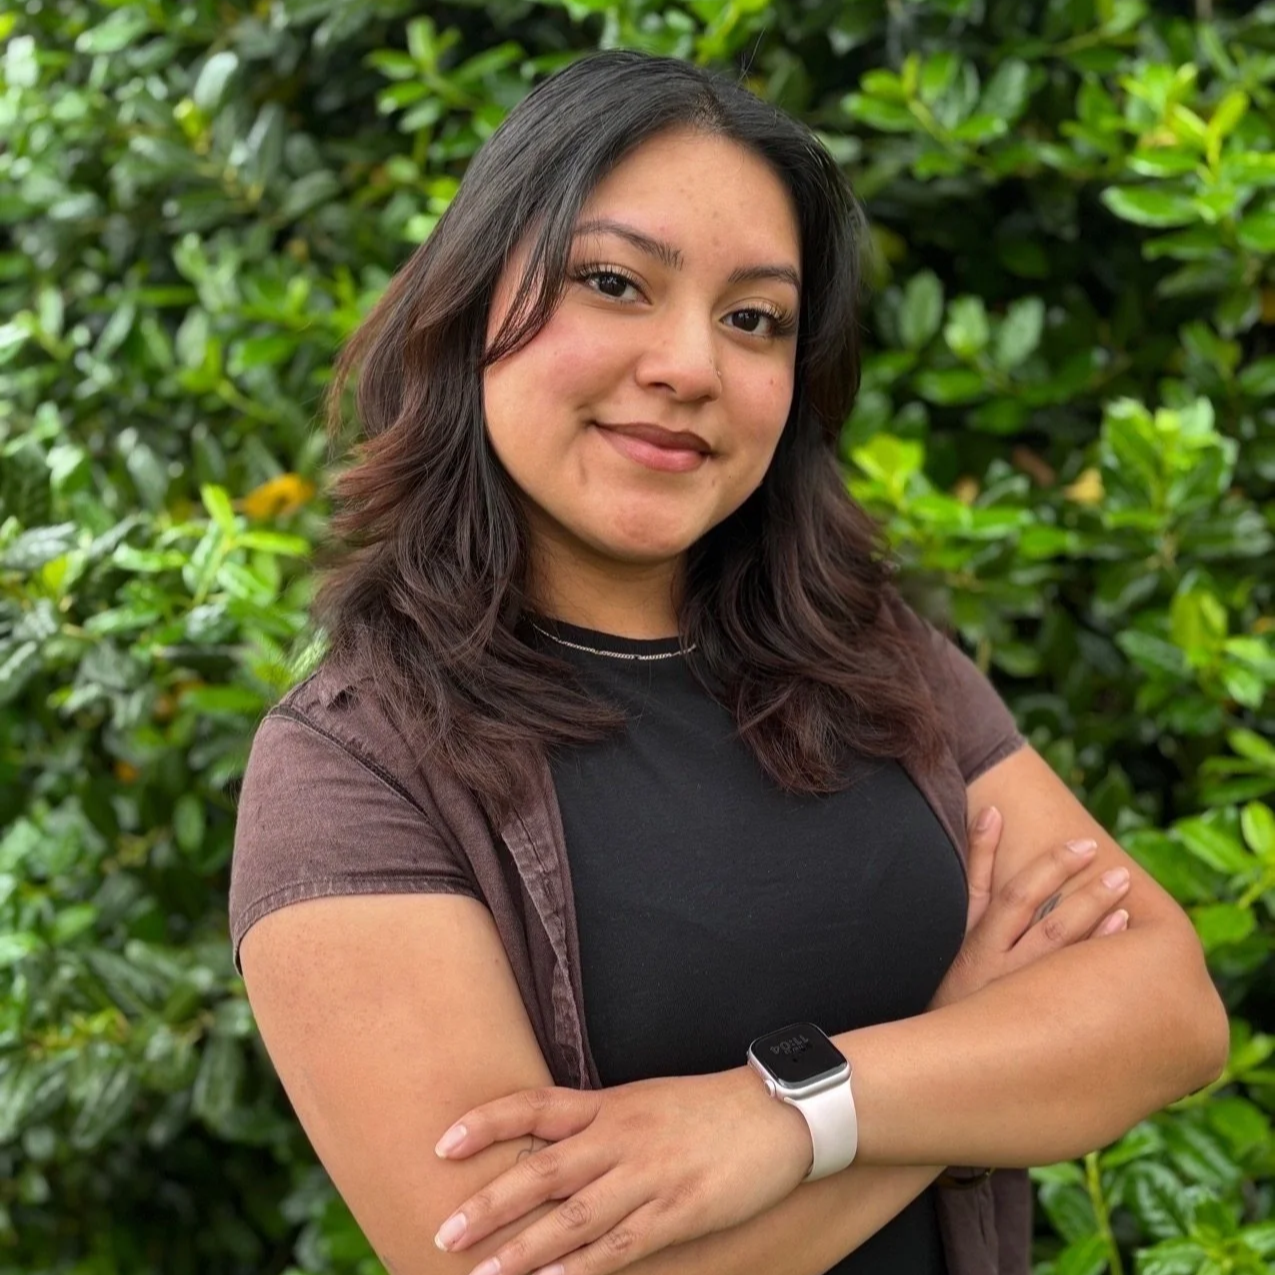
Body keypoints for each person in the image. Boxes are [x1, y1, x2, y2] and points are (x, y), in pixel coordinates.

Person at [229, 49, 1229, 1275]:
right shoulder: (350, 769)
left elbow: (1170, 1008)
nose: (690, 367)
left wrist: (781, 1114)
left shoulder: (868, 653)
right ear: (472, 300)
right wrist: (969, 1065)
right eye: (614, 282)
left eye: (753, 318)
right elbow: (517, 1261)